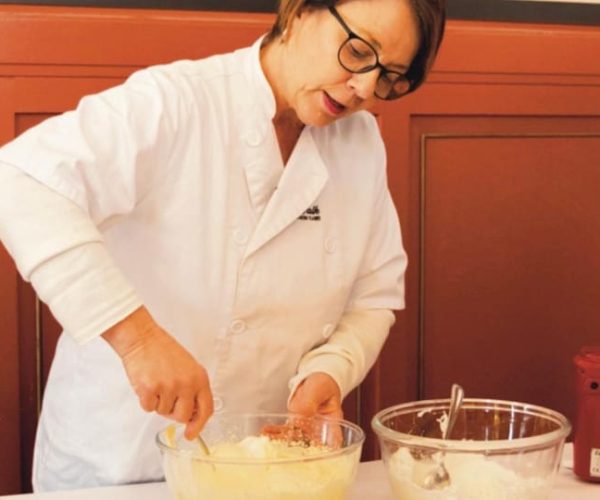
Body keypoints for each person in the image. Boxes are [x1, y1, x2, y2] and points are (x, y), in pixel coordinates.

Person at [0, 0, 446, 492]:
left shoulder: (359, 141)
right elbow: (18, 182)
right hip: (118, 465)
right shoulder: (176, 102)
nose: (365, 87)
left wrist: (330, 371)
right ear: (298, 12)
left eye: (390, 76)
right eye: (359, 51)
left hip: (255, 466)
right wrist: (138, 338)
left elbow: (374, 296)